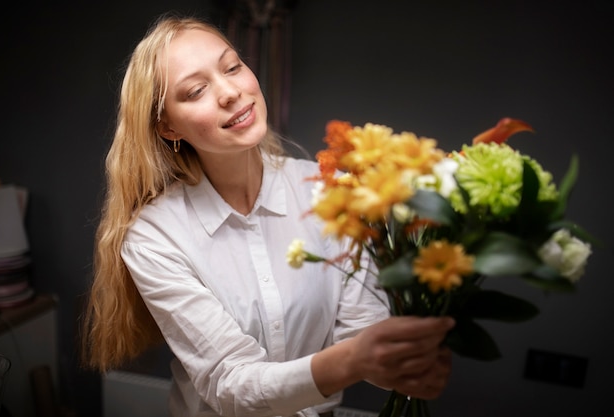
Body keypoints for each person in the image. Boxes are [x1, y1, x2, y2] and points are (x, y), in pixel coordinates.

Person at [82, 13, 454, 417]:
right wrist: (355, 360)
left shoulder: (335, 193)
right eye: (195, 91)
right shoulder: (155, 237)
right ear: (169, 128)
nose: (229, 92)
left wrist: (405, 363)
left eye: (232, 67)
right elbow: (231, 383)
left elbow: (362, 333)